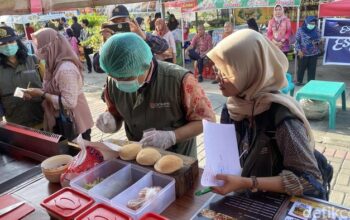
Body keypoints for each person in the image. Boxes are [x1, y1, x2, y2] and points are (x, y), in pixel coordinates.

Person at [206, 29, 326, 200]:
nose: (217, 77)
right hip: (244, 200)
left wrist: (248, 183)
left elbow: (310, 181)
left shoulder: (282, 118)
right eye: (217, 69)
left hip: (275, 204)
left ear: (250, 70)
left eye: (225, 72)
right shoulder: (233, 106)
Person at [96, 33, 216, 157]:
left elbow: (206, 120)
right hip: (138, 157)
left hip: (178, 159)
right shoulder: (113, 81)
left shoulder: (180, 80)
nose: (120, 82)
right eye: (115, 77)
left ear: (145, 65)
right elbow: (116, 112)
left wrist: (172, 136)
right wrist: (111, 121)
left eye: (127, 77)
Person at [24, 28, 94, 140]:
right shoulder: (52, 65)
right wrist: (35, 94)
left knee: (78, 155)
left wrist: (42, 95)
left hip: (73, 122)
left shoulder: (65, 69)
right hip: (63, 118)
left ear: (52, 46)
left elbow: (69, 102)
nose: (37, 50)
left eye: (39, 46)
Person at [0, 26, 44, 128]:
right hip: (16, 124)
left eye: (11, 41)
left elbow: (50, 86)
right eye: (2, 43)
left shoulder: (34, 60)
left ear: (17, 42)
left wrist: (38, 93)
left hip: (43, 119)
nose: (8, 46)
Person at [295, 16, 321, 86]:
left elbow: (319, 39)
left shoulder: (317, 30)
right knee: (301, 68)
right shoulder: (300, 30)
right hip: (302, 53)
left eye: (314, 23)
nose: (312, 25)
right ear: (306, 22)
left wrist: (317, 41)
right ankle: (299, 81)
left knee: (312, 69)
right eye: (311, 23)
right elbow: (297, 41)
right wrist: (299, 50)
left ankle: (311, 83)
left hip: (314, 53)